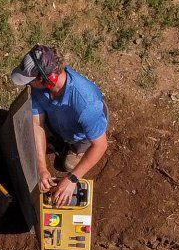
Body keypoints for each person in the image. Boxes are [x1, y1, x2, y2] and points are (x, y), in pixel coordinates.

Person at [10, 44, 110, 208]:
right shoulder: (39, 88)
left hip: (81, 134)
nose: (28, 85)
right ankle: (58, 140)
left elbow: (100, 145)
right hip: (58, 121)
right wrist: (42, 168)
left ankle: (75, 148)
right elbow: (37, 124)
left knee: (69, 166)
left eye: (30, 81)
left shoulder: (86, 104)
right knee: (29, 143)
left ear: (47, 79)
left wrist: (72, 179)